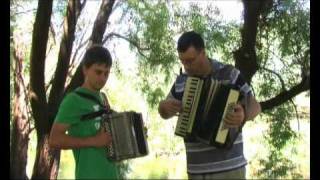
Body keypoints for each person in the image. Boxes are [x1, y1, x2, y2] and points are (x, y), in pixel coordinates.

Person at [158, 31, 261, 179]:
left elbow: (256, 106)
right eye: (182, 61)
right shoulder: (181, 81)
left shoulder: (230, 73)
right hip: (196, 170)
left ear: (203, 53)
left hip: (230, 168)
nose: (186, 66)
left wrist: (243, 114)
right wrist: (164, 107)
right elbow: (164, 112)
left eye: (191, 60)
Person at [49, 45, 119, 179]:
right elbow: (54, 139)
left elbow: (109, 139)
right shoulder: (73, 101)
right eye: (98, 72)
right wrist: (94, 141)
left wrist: (134, 134)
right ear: (85, 69)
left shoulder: (103, 98)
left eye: (106, 73)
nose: (103, 78)